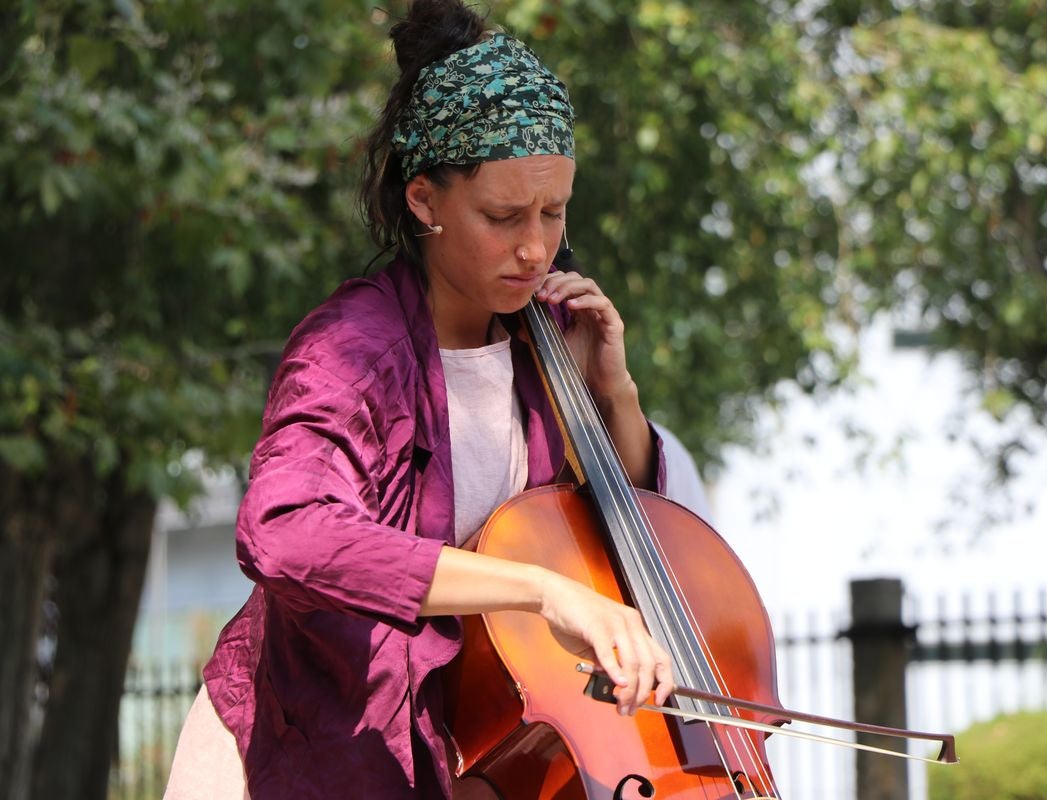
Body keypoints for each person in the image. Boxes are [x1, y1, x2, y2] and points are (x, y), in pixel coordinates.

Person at [164, 2, 675, 797]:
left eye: (554, 212)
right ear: (425, 200)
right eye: (503, 216)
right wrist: (541, 591)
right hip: (304, 748)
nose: (536, 248)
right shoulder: (350, 347)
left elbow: (620, 536)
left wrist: (616, 396)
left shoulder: (544, 340)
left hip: (461, 756)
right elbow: (285, 533)